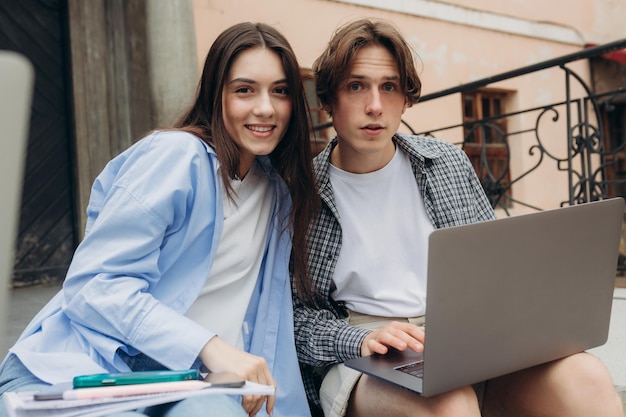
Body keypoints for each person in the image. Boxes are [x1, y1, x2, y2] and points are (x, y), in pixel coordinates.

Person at [292, 18, 625, 417]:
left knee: (586, 376)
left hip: (465, 337)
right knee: (450, 403)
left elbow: (497, 263)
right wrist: (358, 339)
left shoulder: (445, 163)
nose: (375, 106)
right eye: (356, 86)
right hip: (368, 350)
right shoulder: (302, 194)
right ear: (329, 99)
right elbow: (294, 318)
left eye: (389, 87)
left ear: (406, 98)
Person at [0, 22, 318, 417]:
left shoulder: (276, 195)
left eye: (281, 91)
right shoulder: (178, 157)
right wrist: (211, 347)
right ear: (215, 95)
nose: (266, 108)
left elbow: (269, 327)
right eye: (244, 90)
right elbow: (95, 286)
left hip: (186, 386)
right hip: (78, 371)